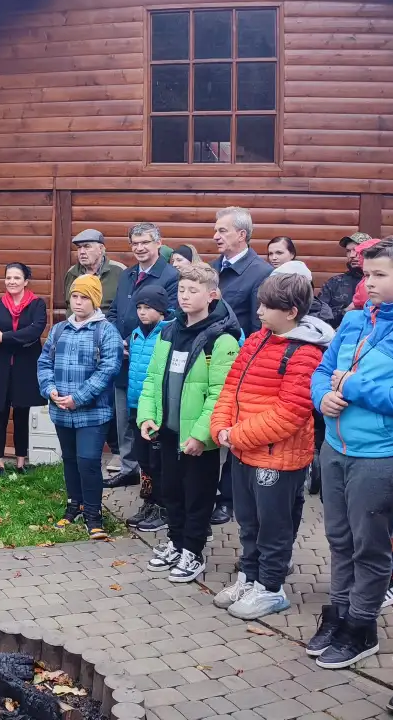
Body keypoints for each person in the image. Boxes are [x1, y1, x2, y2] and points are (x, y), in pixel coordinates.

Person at [210, 273, 333, 619]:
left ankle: (271, 588)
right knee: (248, 523)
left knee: (273, 527)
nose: (259, 312)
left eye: (267, 307)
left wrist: (236, 435)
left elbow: (290, 413)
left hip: (277, 460)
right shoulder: (256, 340)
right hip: (243, 451)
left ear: (291, 312)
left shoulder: (305, 353)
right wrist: (220, 426)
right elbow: (231, 388)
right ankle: (249, 578)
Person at [308, 237, 393, 670]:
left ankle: (362, 627)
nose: (369, 283)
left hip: (379, 456)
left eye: (380, 274)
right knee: (339, 539)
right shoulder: (355, 319)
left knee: (369, 547)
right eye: (366, 274)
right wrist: (323, 396)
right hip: (335, 447)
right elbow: (323, 370)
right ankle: (340, 614)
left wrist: (352, 385)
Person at [138, 262, 241, 583]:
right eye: (181, 289)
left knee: (197, 497)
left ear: (212, 295)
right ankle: (176, 542)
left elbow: (221, 395)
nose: (184, 296)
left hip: (197, 440)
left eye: (193, 291)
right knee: (171, 492)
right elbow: (153, 378)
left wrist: (200, 435)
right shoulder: (168, 331)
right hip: (168, 432)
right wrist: (147, 415)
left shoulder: (221, 340)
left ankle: (193, 552)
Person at [37, 274, 122, 540]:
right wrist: (50, 390)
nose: (78, 302)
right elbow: (44, 363)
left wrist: (78, 397)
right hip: (62, 411)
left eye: (84, 297)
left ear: (94, 300)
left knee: (88, 461)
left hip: (93, 413)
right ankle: (75, 505)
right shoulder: (59, 330)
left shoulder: (106, 331)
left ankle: (94, 515)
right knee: (70, 460)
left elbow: (108, 370)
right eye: (74, 296)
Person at [210, 207, 273, 526]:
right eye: (215, 230)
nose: (215, 236)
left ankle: (228, 499)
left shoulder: (260, 273)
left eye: (222, 230)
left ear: (242, 235)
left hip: (238, 368)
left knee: (234, 434)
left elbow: (260, 327)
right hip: (206, 364)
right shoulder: (212, 268)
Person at [106, 222, 179, 489]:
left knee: (147, 418)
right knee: (123, 418)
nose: (139, 248)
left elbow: (171, 317)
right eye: (134, 243)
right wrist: (117, 340)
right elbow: (114, 312)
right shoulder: (127, 275)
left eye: (145, 242)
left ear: (158, 243)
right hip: (124, 359)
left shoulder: (170, 276)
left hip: (150, 360)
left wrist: (132, 341)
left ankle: (153, 479)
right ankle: (129, 468)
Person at [0, 262, 47, 476]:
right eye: (8, 277)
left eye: (17, 278)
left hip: (25, 368)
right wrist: (18, 338)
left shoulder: (37, 304)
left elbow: (34, 331)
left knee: (22, 414)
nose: (12, 281)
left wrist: (5, 337)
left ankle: (20, 461)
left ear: (26, 281)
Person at [124, 287, 169, 532]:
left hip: (156, 408)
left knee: (157, 460)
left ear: (160, 310)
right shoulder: (135, 334)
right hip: (136, 405)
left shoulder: (169, 332)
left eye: (148, 308)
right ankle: (149, 502)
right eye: (139, 307)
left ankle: (163, 507)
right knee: (143, 460)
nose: (142, 312)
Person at [63, 229, 126, 314]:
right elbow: (68, 305)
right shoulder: (72, 272)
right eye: (79, 247)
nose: (82, 252)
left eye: (87, 247)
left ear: (101, 249)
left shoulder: (119, 271)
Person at [318, 232, 372, 329]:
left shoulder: (379, 283)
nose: (352, 255)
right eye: (348, 251)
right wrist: (347, 310)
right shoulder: (334, 283)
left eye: (357, 250)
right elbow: (319, 319)